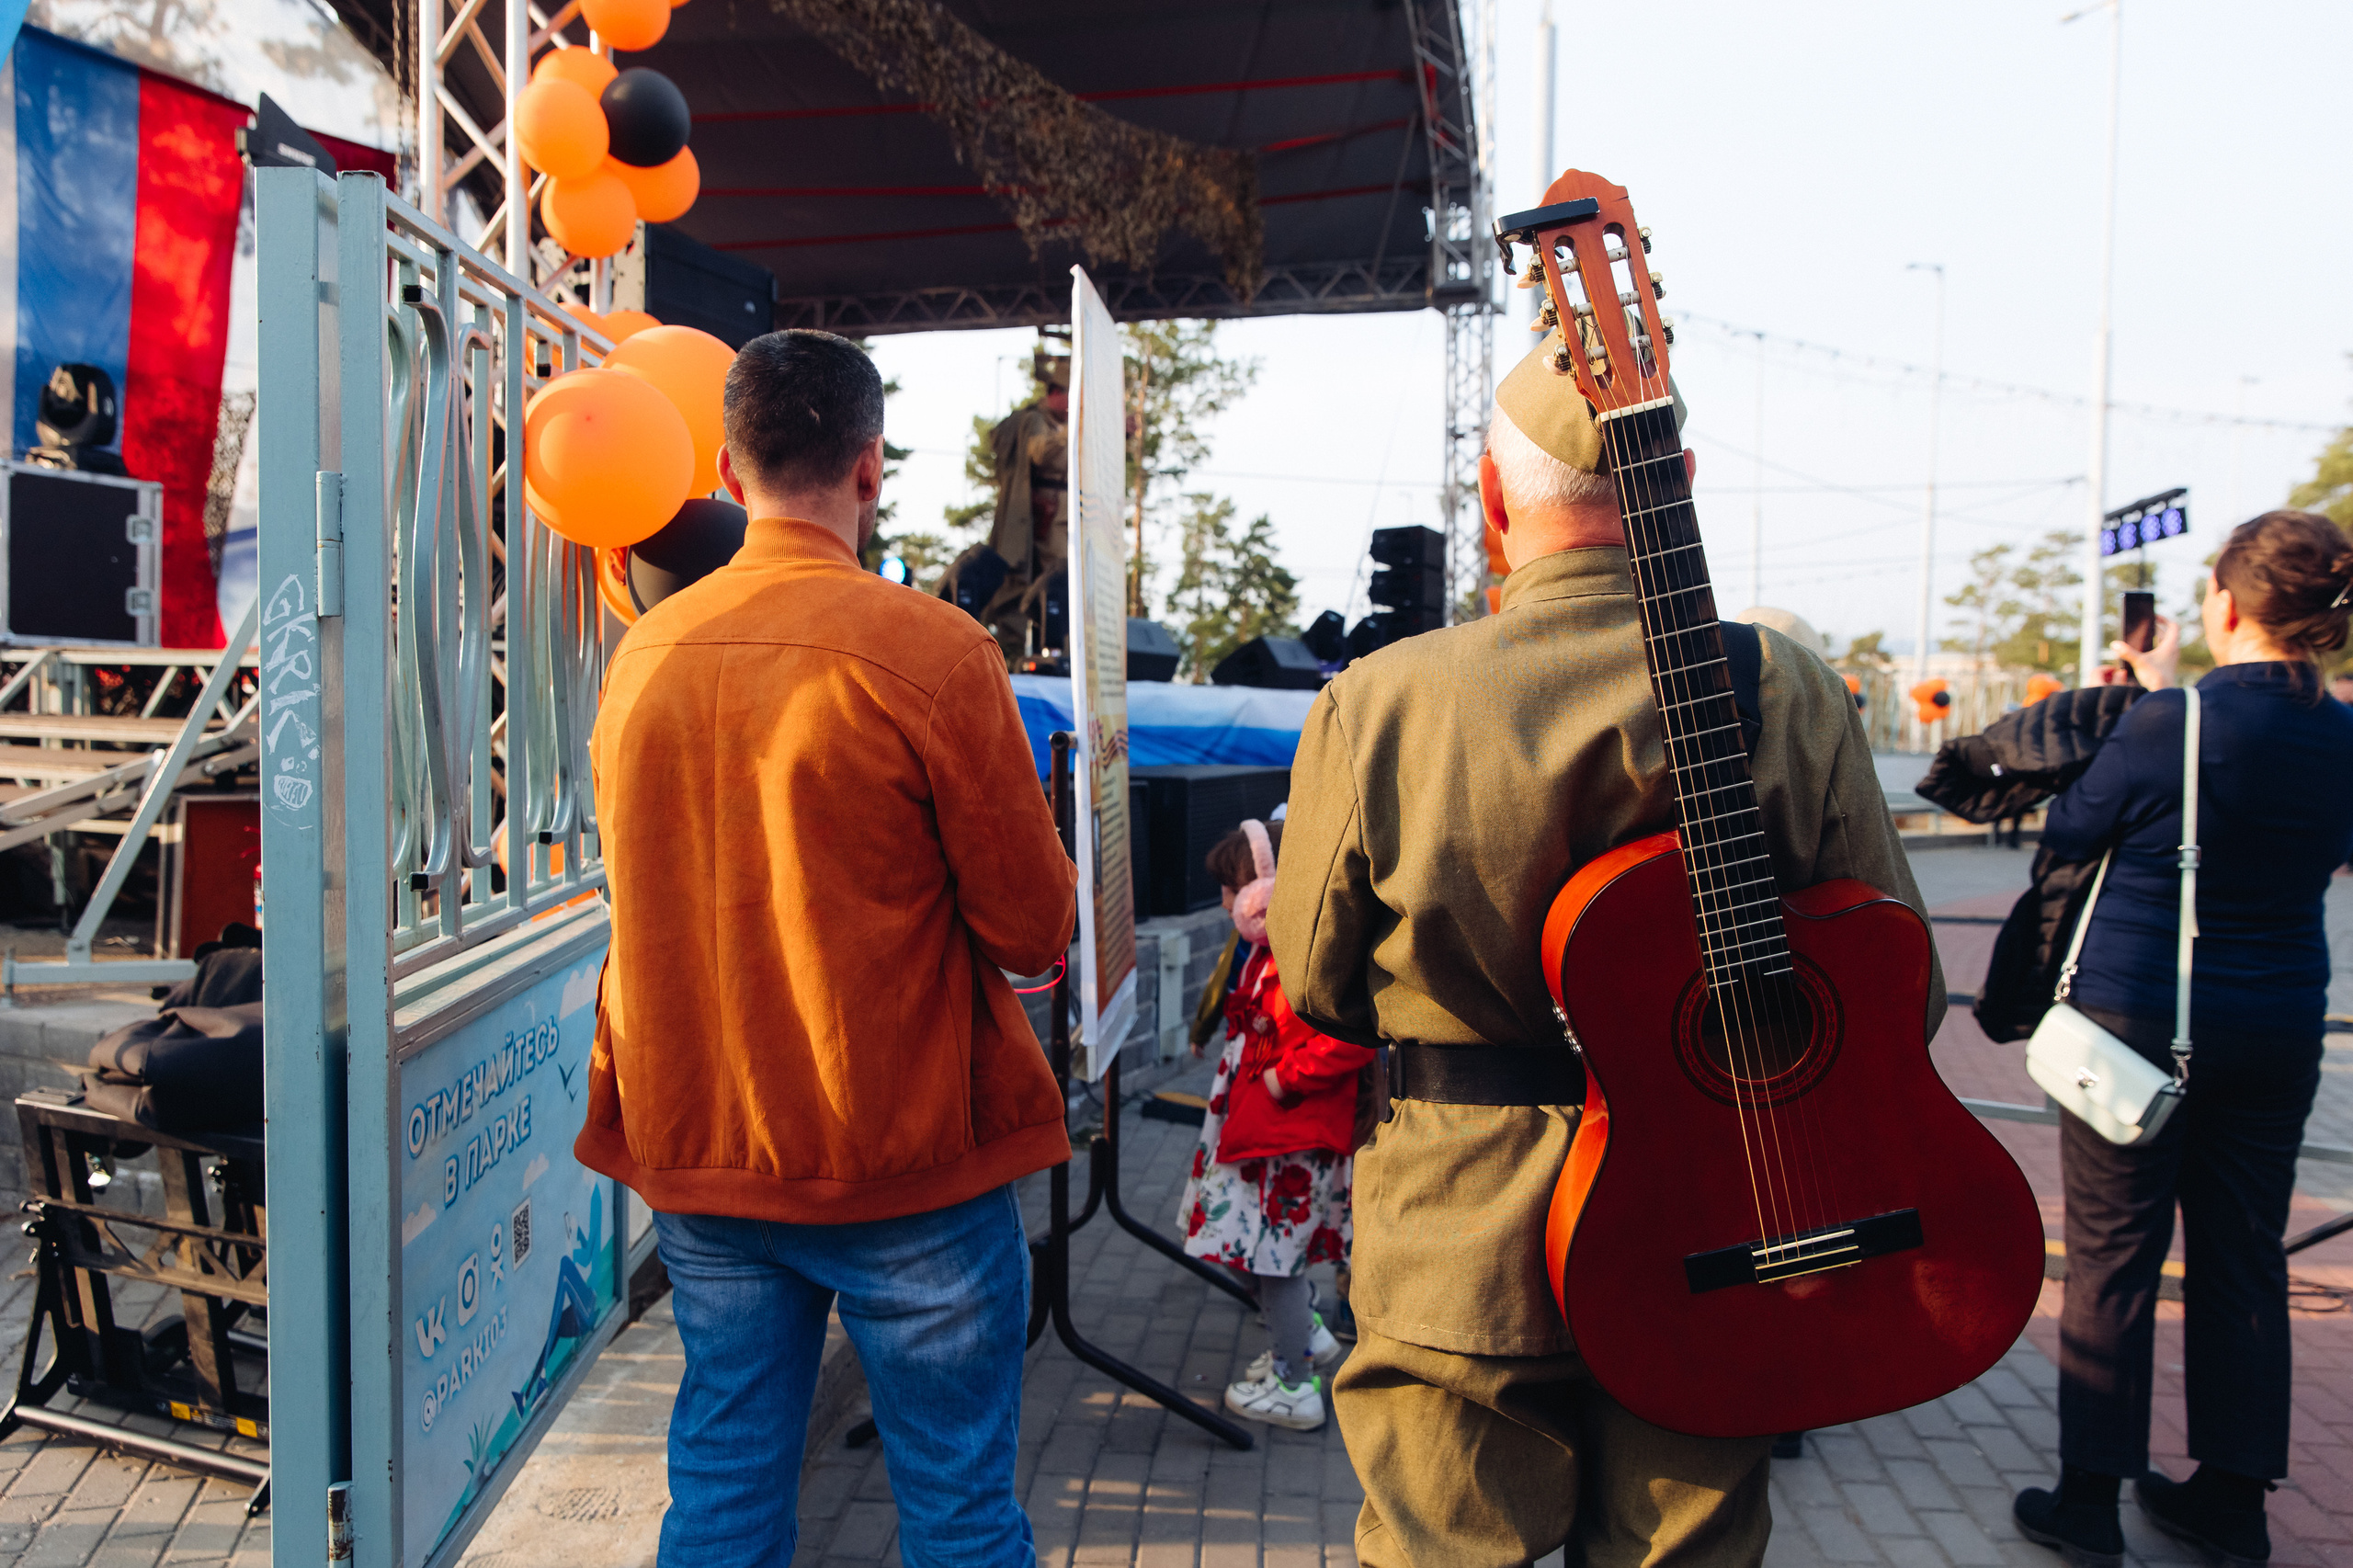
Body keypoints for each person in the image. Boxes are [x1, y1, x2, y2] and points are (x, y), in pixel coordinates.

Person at [1267, 333, 1936, 1566]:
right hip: (1719, 1223)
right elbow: (1908, 993)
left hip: (1461, 1233)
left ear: (1487, 499)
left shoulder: (1385, 696)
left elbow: (1319, 986)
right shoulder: (1784, 686)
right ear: (1675, 480)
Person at [576, 329, 1077, 1566]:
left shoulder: (642, 658)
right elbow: (1033, 926)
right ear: (871, 467)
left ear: (731, 471)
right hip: (896, 1150)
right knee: (958, 1508)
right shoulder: (936, 653)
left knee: (724, 1489)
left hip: (705, 1147)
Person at [2012, 511, 2353, 1568]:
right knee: (2243, 1254)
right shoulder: (2344, 730)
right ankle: (2231, 1501)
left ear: (2225, 605)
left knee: (2112, 1256)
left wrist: (2153, 694)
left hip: (2137, 1025)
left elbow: (2070, 831)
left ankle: (2086, 1500)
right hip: (2279, 1021)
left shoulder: (2173, 721)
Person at [1176, 817, 1373, 1431]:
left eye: (1232, 888)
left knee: (1272, 1258)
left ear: (1267, 890)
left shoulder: (1296, 958)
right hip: (1272, 1128)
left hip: (1288, 1133)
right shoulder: (1272, 951)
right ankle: (1303, 1340)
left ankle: (1295, 1384)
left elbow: (1346, 1041)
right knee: (1253, 1247)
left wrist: (1280, 1081)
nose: (1226, 903)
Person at [938, 343, 1069, 666]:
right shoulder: (1036, 421)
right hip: (1039, 520)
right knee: (1022, 587)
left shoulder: (1052, 422)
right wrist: (1073, 430)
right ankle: (1012, 654)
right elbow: (1041, 452)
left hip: (1055, 520)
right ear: (1055, 392)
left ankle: (1045, 653)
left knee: (1050, 589)